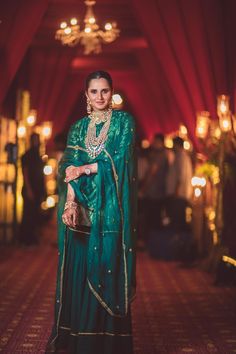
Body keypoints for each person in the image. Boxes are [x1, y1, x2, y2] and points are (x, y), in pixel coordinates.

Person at [46, 71, 137, 354]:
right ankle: (78, 339)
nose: (99, 97)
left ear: (112, 92)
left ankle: (107, 344)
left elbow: (121, 161)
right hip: (81, 209)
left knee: (105, 267)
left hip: (110, 211)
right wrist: (71, 203)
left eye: (105, 91)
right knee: (79, 270)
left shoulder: (124, 123)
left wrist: (86, 168)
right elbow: (68, 165)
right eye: (94, 92)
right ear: (86, 95)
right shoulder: (77, 128)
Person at [19, 132, 46, 245]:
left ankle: (31, 237)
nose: (36, 142)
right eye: (34, 140)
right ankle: (25, 238)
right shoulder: (27, 155)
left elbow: (41, 173)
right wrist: (29, 189)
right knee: (28, 214)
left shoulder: (38, 155)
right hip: (29, 189)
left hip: (37, 188)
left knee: (34, 214)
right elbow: (25, 173)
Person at [166, 136, 193, 231]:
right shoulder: (181, 156)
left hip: (179, 193)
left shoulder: (181, 157)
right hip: (179, 193)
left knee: (178, 218)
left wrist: (176, 190)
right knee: (178, 217)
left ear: (177, 145)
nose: (172, 147)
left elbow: (181, 175)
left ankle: (178, 240)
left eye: (174, 144)